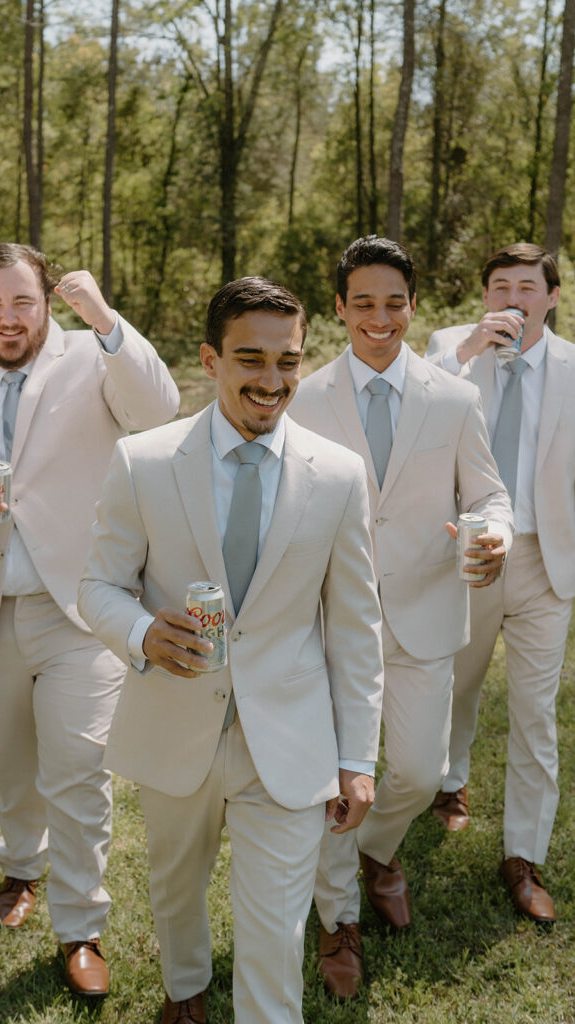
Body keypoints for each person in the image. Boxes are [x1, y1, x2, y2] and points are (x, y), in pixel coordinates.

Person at [78, 276, 385, 1024]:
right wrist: (142, 632)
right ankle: (185, 993)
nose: (272, 381)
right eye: (252, 359)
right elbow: (97, 587)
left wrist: (358, 757)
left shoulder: (339, 475)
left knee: (276, 931)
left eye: (289, 361)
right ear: (211, 360)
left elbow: (355, 626)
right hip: (172, 721)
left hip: (288, 738)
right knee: (175, 885)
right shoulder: (144, 462)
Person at [0, 243, 179, 996]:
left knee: (81, 767)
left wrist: (102, 317)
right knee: (10, 761)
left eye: (22, 302)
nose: (7, 318)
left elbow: (161, 408)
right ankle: (20, 866)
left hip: (80, 610)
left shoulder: (92, 358)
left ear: (46, 302)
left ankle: (81, 926)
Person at [290, 235, 513, 1001]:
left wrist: (492, 534)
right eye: (363, 304)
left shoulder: (455, 398)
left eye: (394, 304)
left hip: (426, 609)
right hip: (326, 620)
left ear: (413, 308)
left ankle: (379, 851)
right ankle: (337, 920)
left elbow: (487, 493)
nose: (379, 318)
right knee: (334, 784)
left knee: (417, 772)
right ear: (341, 310)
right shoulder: (307, 395)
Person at [426, 242, 575, 923]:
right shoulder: (449, 349)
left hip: (547, 561)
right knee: (457, 681)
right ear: (485, 296)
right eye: (499, 286)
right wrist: (464, 354)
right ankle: (449, 785)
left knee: (535, 714)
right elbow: (414, 414)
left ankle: (524, 854)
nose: (512, 297)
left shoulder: (574, 369)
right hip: (473, 550)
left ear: (550, 296)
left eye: (527, 286)